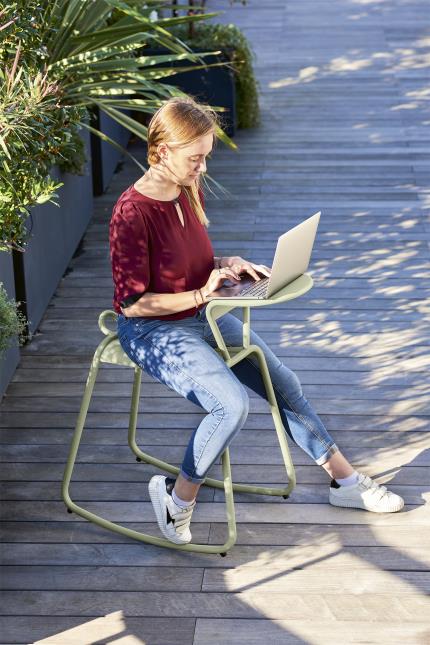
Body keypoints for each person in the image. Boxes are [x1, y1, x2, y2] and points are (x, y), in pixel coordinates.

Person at [109, 96, 404, 546]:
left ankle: (345, 483)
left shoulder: (186, 188)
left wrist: (228, 262)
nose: (203, 169)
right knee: (230, 404)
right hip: (153, 331)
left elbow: (188, 258)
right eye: (196, 158)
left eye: (206, 156)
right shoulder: (132, 213)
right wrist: (200, 294)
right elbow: (132, 304)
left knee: (281, 381)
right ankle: (177, 500)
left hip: (202, 311)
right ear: (163, 150)